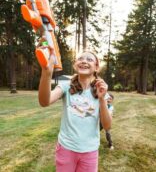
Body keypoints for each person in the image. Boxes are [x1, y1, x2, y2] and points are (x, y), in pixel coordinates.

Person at [38, 42, 112, 172]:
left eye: (89, 59)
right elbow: (44, 102)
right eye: (80, 59)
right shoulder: (66, 85)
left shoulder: (100, 90)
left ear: (96, 67)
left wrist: (101, 99)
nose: (84, 61)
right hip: (66, 148)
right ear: (75, 65)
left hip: (90, 151)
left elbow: (107, 126)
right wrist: (46, 73)